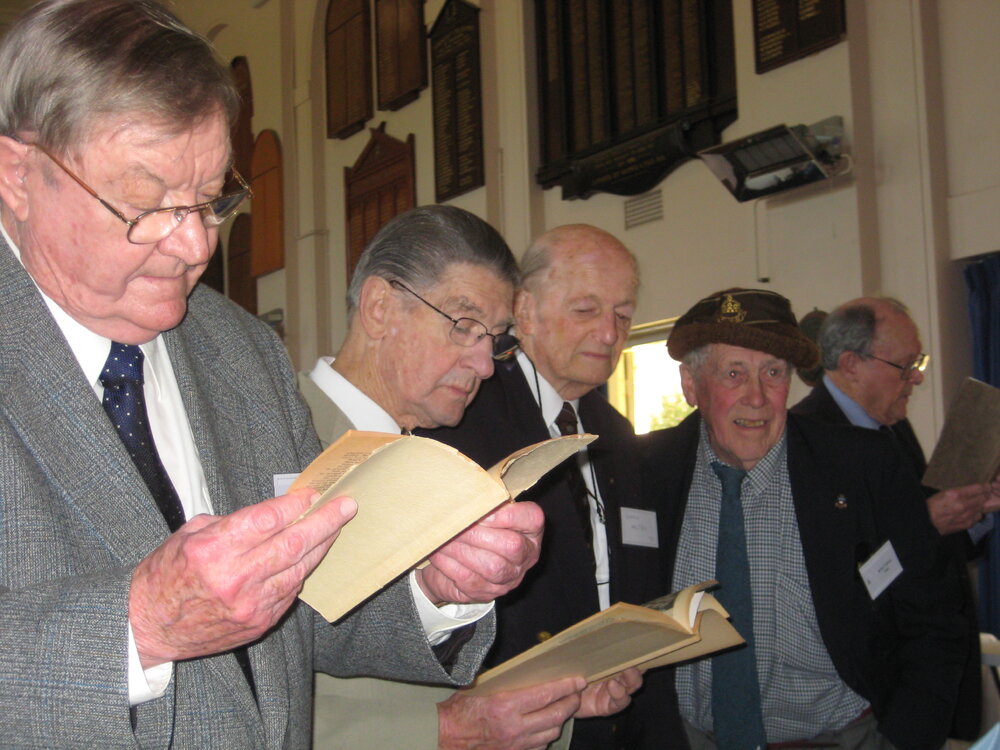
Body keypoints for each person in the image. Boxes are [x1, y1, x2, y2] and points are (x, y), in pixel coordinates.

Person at [0, 2, 542, 746]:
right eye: (147, 202)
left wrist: (430, 588)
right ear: (19, 175)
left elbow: (301, 613)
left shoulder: (242, 351)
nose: (193, 246)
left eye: (212, 200)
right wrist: (138, 628)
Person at [301, 209, 639, 750]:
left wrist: (556, 699)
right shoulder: (274, 438)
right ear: (380, 307)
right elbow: (239, 682)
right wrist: (440, 730)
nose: (485, 364)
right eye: (463, 325)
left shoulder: (433, 460)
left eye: (496, 336)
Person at [642, 288, 967, 750]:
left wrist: (906, 741)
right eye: (734, 373)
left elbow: (934, 618)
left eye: (773, 373)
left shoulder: (862, 467)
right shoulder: (645, 472)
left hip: (839, 739)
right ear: (691, 385)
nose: (756, 397)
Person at [427, 224, 687, 749]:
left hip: (615, 720)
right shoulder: (462, 422)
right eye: (587, 310)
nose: (611, 334)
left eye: (623, 314)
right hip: (512, 727)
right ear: (524, 312)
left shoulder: (616, 434)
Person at [791, 295, 1000, 739]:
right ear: (851, 363)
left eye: (917, 361)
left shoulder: (891, 425)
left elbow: (933, 547)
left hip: (936, 672)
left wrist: (976, 509)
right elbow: (838, 583)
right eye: (905, 365)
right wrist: (923, 524)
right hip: (878, 698)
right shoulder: (804, 441)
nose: (917, 377)